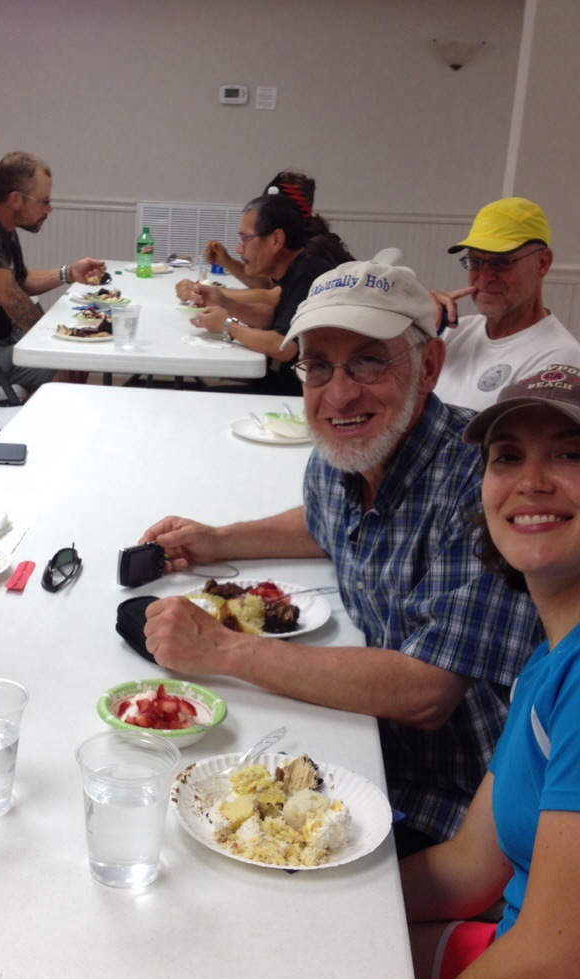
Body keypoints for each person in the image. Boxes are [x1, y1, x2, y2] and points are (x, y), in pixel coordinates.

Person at [141, 262, 541, 855]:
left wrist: (222, 649)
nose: (339, 393)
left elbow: (427, 691)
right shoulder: (347, 450)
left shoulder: (480, 486)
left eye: (368, 362)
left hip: (459, 801)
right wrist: (219, 540)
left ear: (430, 366)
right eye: (319, 366)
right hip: (363, 742)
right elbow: (325, 521)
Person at [402, 366, 580, 979]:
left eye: (572, 454)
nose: (531, 482)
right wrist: (330, 896)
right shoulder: (562, 651)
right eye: (507, 456)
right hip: (518, 958)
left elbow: (550, 973)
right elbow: (469, 870)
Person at [0, 151, 107, 390]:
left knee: (78, 355)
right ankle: (39, 413)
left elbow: (21, 281)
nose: (49, 209)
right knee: (67, 360)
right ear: (16, 199)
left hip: (2, 340)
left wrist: (69, 272)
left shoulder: (5, 230)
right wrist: (51, 339)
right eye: (44, 201)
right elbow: (9, 296)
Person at [432, 197, 580, 411]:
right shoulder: (450, 332)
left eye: (502, 262)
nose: (484, 278)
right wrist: (412, 329)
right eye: (476, 262)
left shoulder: (559, 360)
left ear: (542, 264)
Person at [186, 193, 352, 395]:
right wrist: (223, 302)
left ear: (276, 240)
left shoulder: (308, 272)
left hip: (301, 395)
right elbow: (273, 319)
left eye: (246, 239)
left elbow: (284, 347)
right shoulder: (299, 265)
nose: (239, 249)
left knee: (202, 397)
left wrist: (228, 326)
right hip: (289, 381)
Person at [173, 170, 349, 296]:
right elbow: (268, 284)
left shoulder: (310, 255)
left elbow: (272, 299)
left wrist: (207, 292)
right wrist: (227, 262)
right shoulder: (299, 242)